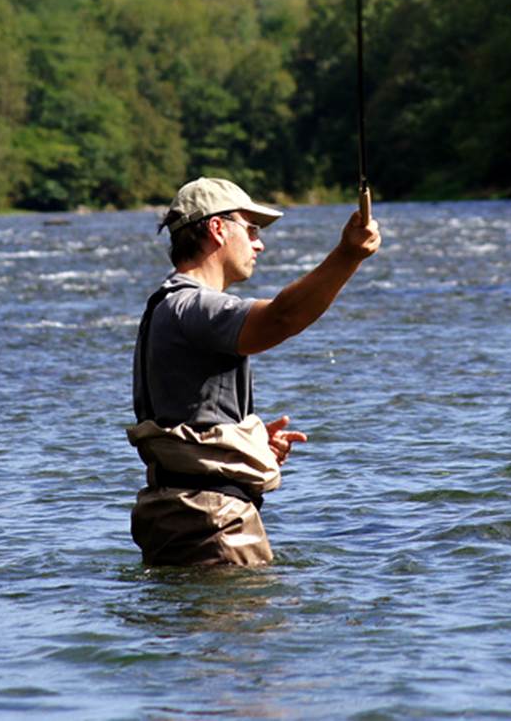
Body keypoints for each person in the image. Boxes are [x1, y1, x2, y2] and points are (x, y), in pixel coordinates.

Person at [127, 176, 381, 567]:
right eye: (251, 230)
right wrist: (348, 255)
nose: (259, 243)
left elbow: (188, 419)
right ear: (216, 228)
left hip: (184, 512)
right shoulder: (192, 306)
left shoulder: (168, 307)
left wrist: (251, 443)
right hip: (210, 520)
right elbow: (282, 317)